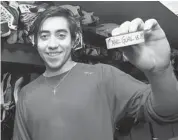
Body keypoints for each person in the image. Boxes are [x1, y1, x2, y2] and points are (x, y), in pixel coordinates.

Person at [13, 6, 178, 140]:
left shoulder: (103, 75)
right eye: (44, 36)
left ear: (74, 40)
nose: (52, 44)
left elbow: (167, 112)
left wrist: (160, 71)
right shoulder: (26, 94)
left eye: (61, 35)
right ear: (35, 41)